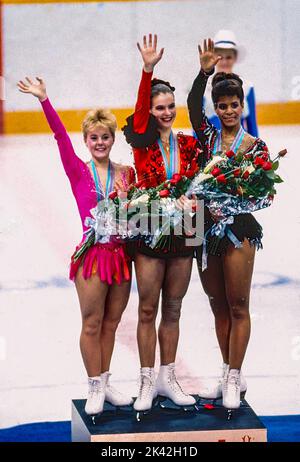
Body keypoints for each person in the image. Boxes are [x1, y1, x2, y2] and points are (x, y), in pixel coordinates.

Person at [17, 76, 135, 416]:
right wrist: (44, 100)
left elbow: (139, 212)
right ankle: (94, 385)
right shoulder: (78, 171)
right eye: (94, 137)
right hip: (93, 257)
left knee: (112, 324)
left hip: (120, 256)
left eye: (105, 137)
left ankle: (107, 380)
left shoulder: (126, 173)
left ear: (113, 139)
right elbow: (58, 137)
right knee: (92, 323)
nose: (100, 142)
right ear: (86, 140)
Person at [187, 39, 270, 409]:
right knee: (216, 304)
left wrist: (236, 198)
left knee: (239, 305)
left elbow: (265, 195)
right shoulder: (206, 138)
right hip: (202, 227)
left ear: (242, 105)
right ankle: (226, 371)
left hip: (238, 230)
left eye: (234, 105)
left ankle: (236, 376)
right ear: (216, 109)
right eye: (222, 106)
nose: (229, 111)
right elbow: (192, 105)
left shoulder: (255, 147)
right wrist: (205, 72)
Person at [123, 34, 200, 414]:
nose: (166, 112)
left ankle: (168, 378)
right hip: (149, 224)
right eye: (159, 108)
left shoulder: (188, 145)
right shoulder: (142, 141)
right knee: (147, 310)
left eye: (170, 106)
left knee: (174, 308)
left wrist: (195, 204)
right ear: (149, 112)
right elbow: (138, 111)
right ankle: (145, 379)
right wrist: (147, 70)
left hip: (186, 228)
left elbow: (201, 185)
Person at [200, 30, 258, 137]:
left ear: (235, 58)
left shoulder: (247, 87)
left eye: (229, 57)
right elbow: (197, 125)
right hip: (211, 147)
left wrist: (257, 151)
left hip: (239, 148)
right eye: (220, 57)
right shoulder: (203, 87)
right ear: (213, 57)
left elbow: (252, 125)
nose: (224, 62)